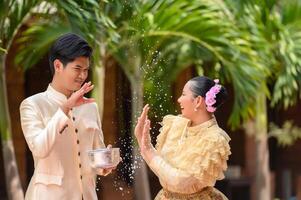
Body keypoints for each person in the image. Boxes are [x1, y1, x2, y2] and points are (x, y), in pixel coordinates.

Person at [20, 33, 118, 200]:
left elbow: (94, 155)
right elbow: (39, 148)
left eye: (86, 70)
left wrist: (105, 164)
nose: (82, 76)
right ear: (58, 66)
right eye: (77, 69)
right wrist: (65, 108)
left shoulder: (90, 107)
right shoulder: (33, 105)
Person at [135, 76, 231, 200]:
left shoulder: (214, 139)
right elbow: (161, 168)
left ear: (198, 101)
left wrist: (147, 150)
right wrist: (143, 142)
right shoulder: (176, 125)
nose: (179, 99)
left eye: (184, 94)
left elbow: (180, 182)